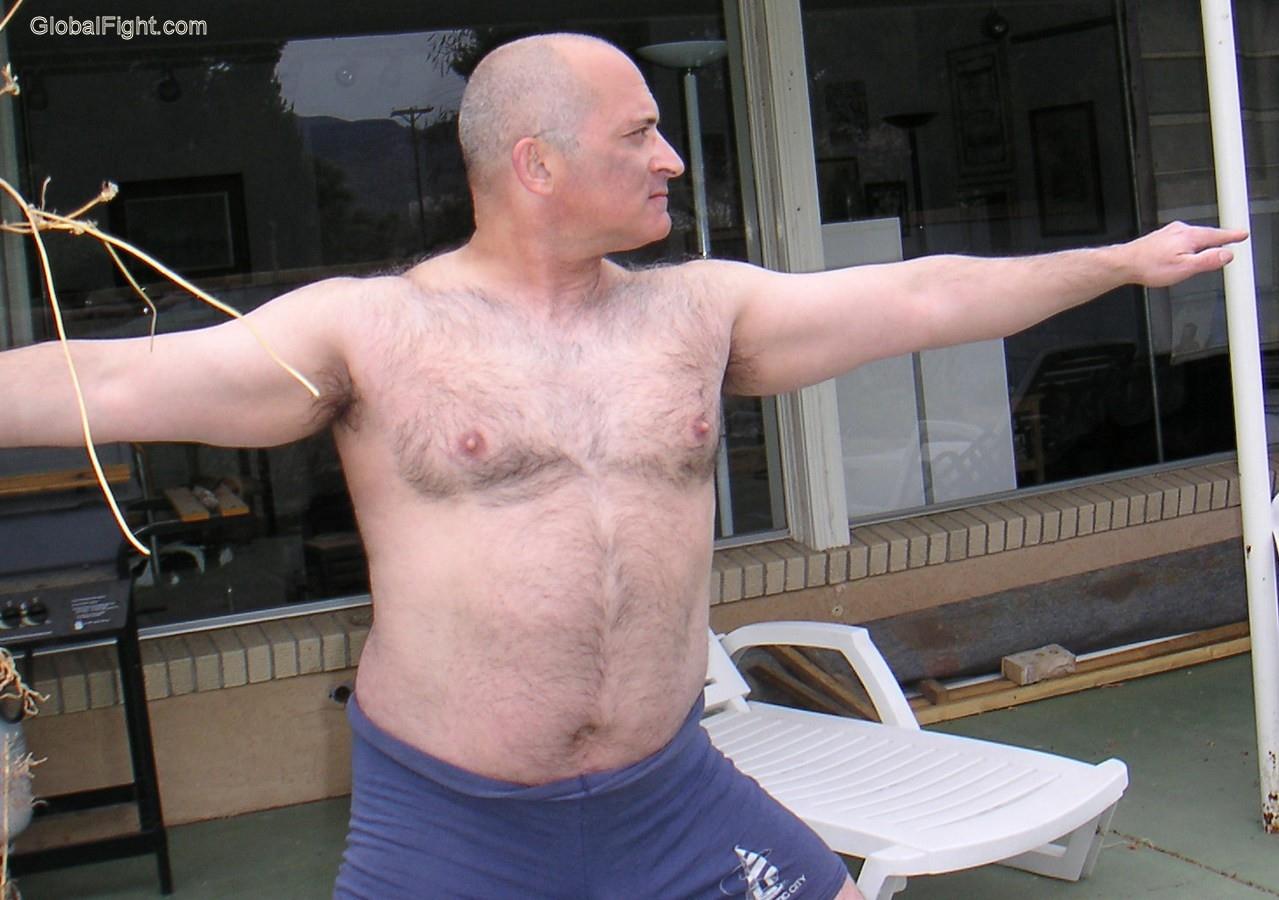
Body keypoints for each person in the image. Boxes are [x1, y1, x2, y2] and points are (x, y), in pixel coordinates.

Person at [0, 32, 1245, 900]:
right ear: (536, 163)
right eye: (641, 133)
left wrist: (1118, 264)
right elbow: (112, 383)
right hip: (455, 828)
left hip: (672, 794)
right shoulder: (370, 333)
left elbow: (919, 298)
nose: (673, 159)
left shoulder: (697, 313)